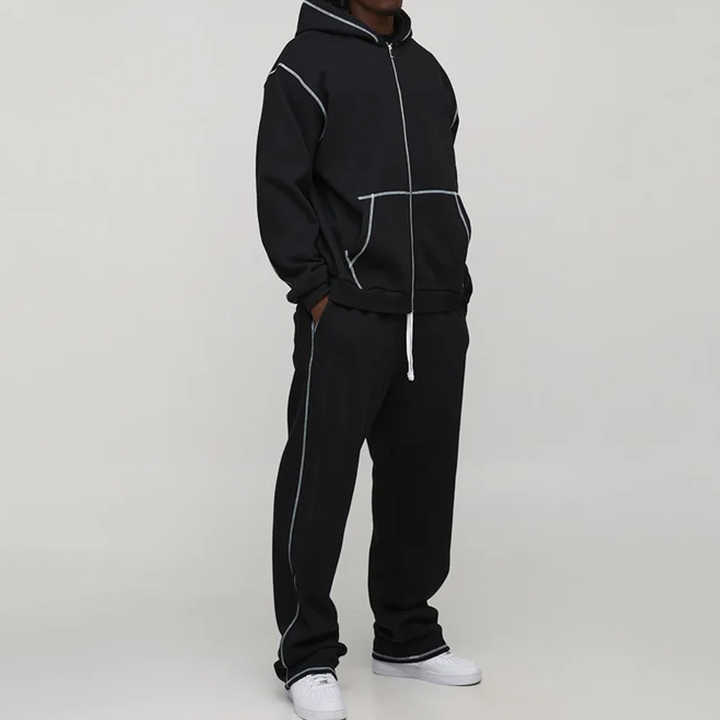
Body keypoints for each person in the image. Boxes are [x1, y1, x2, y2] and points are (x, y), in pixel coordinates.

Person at [256, 1, 480, 717]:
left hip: (433, 307)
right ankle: (306, 652)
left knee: (422, 478)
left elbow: (442, 181)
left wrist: (450, 282)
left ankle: (407, 635)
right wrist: (317, 293)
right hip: (348, 309)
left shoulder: (428, 71)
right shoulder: (304, 65)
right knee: (319, 480)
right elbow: (280, 185)